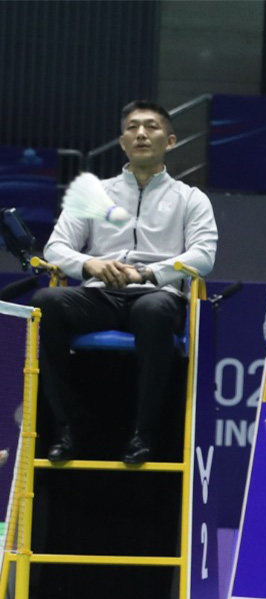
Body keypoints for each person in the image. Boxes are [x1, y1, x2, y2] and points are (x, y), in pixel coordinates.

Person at [38, 100, 217, 466]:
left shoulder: (190, 199)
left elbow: (203, 256)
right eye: (133, 127)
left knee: (155, 309)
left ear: (170, 141)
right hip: (99, 297)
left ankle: (143, 432)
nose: (140, 133)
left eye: (151, 127)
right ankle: (70, 424)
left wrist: (149, 273)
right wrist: (90, 264)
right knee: (47, 304)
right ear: (122, 142)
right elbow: (55, 248)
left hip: (155, 294)